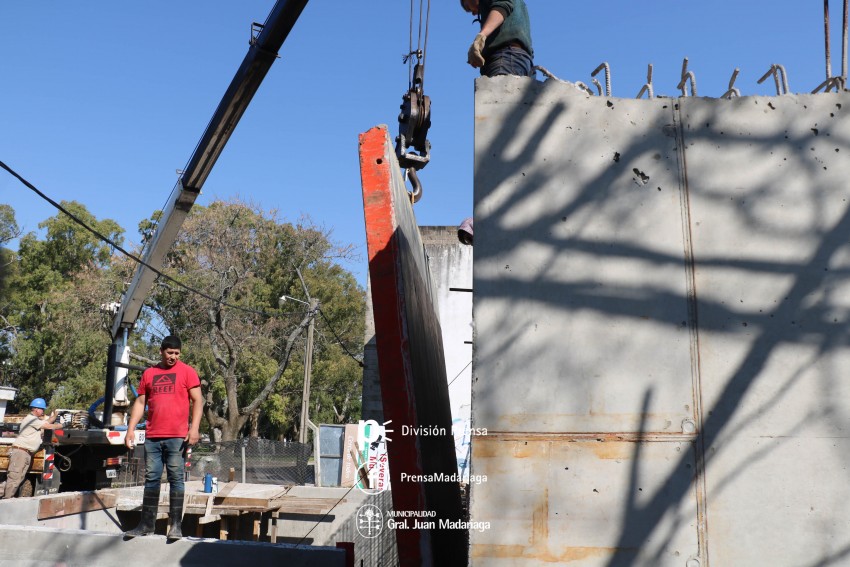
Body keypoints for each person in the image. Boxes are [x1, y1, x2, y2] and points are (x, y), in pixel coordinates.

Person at [124, 335, 203, 540]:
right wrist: (130, 429)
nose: (173, 357)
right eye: (170, 353)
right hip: (153, 436)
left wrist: (194, 429)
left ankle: (176, 526)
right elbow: (140, 403)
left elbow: (198, 401)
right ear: (161, 351)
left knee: (176, 478)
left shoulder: (187, 372)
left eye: (177, 353)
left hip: (177, 437)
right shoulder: (150, 374)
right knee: (151, 478)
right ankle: (146, 524)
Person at [2, 398, 63, 499]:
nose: (43, 411)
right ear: (36, 409)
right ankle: (6, 503)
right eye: (42, 409)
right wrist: (62, 425)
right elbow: (47, 426)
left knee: (17, 479)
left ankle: (5, 498)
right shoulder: (32, 419)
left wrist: (54, 417)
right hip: (21, 453)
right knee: (14, 478)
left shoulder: (35, 420)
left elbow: (46, 422)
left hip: (24, 453)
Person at [462, 0, 534, 78]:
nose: (473, 14)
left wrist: (481, 36)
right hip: (522, 61)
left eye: (467, 8)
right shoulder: (520, 5)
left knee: (500, 89)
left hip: (505, 59)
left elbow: (502, 5)